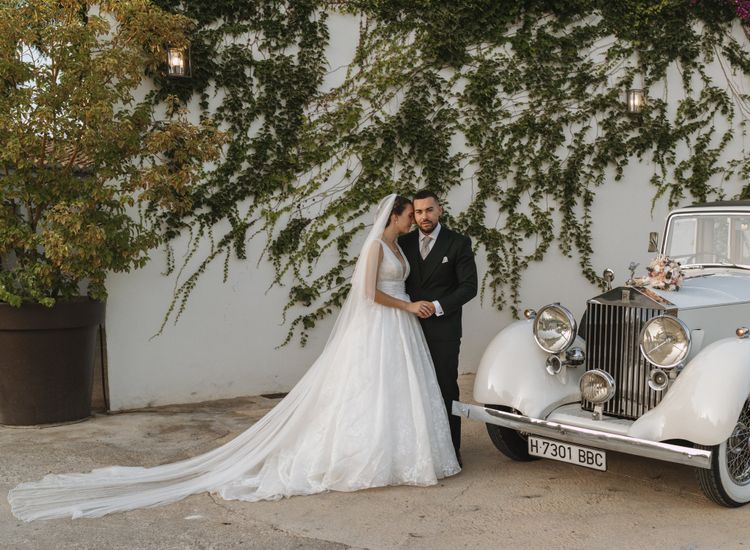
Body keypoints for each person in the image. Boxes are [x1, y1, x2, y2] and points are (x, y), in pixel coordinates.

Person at [8, 194, 460, 522]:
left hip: (402, 328)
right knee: (366, 388)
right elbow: (367, 293)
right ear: (398, 215)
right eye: (409, 214)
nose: (412, 219)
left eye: (419, 213)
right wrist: (406, 306)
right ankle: (364, 453)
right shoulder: (376, 248)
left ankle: (401, 454)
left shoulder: (399, 248)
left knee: (397, 390)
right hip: (383, 323)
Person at [398, 190, 478, 465]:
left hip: (443, 330)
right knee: (412, 389)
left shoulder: (458, 243)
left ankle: (450, 452)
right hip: (407, 328)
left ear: (440, 210)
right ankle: (419, 452)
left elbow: (469, 287)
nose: (424, 217)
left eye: (429, 210)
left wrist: (437, 305)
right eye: (418, 212)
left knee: (445, 389)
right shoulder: (404, 242)